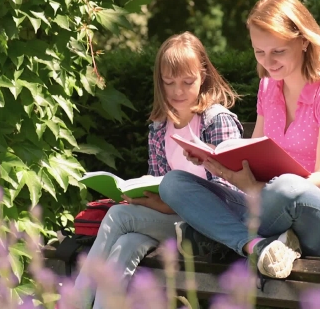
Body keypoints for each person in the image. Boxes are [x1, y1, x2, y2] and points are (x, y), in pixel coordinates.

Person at [159, 0, 320, 280]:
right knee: (174, 183)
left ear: (303, 40)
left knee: (288, 188)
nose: (268, 62)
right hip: (268, 209)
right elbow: (253, 153)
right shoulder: (268, 88)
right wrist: (217, 161)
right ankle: (258, 246)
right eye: (259, 52)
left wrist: (259, 190)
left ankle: (215, 235)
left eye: (277, 51)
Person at [72, 31, 244, 309]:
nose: (177, 91)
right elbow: (158, 182)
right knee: (126, 244)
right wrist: (144, 198)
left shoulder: (216, 122)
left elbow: (232, 196)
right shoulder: (159, 127)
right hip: (174, 225)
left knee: (118, 217)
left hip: (212, 231)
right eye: (169, 82)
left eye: (187, 82)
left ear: (204, 77)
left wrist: (165, 206)